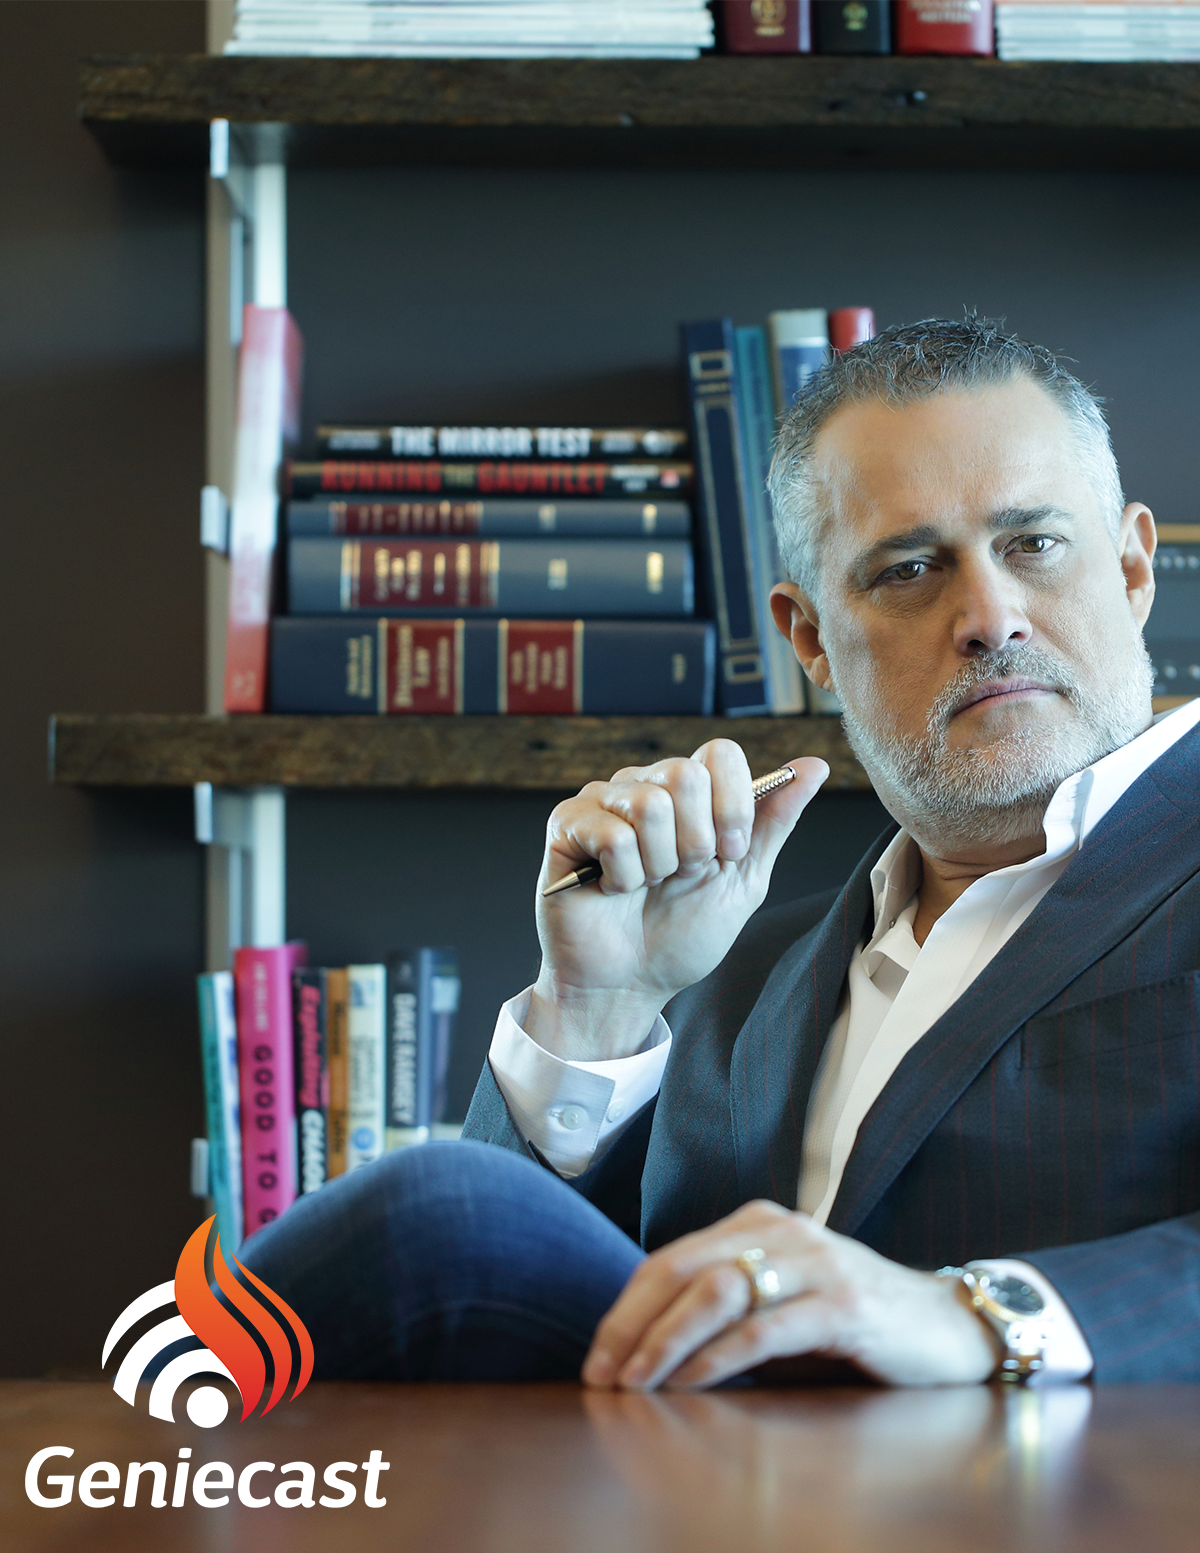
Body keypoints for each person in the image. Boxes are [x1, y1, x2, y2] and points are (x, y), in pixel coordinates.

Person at [244, 318, 1200, 1389]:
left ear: (1132, 567)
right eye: (909, 568)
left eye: (1032, 544)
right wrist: (596, 1007)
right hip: (676, 1480)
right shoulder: (730, 978)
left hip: (1057, 1479)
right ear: (809, 638)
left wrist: (979, 1314)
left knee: (436, 1204)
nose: (989, 615)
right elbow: (489, 1345)